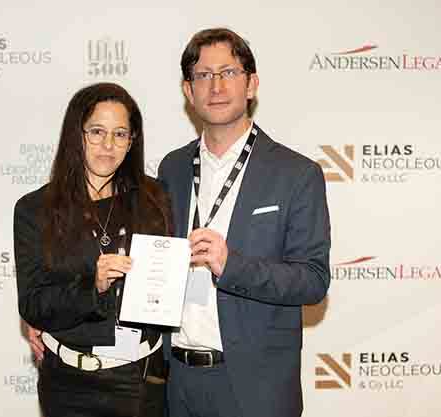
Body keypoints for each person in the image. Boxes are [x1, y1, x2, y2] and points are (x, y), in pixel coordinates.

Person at [156, 28, 331, 417]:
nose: (216, 86)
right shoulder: (172, 168)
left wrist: (230, 264)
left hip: (255, 387)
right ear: (188, 91)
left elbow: (313, 280)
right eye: (203, 75)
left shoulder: (296, 174)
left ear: (251, 84)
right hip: (177, 381)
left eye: (228, 72)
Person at [14, 82, 171, 417]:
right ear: (77, 135)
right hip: (66, 383)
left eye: (120, 134)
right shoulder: (34, 209)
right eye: (97, 131)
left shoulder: (155, 200)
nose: (108, 145)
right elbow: (33, 305)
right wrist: (93, 287)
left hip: (139, 381)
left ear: (132, 141)